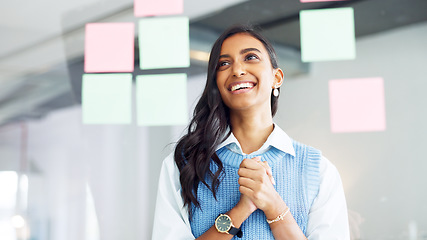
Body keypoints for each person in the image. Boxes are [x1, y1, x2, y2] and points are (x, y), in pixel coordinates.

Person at [152, 25, 350, 240]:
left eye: (251, 57)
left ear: (277, 78)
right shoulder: (183, 165)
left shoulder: (318, 170)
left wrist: (274, 205)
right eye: (224, 63)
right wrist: (240, 211)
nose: (237, 70)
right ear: (216, 84)